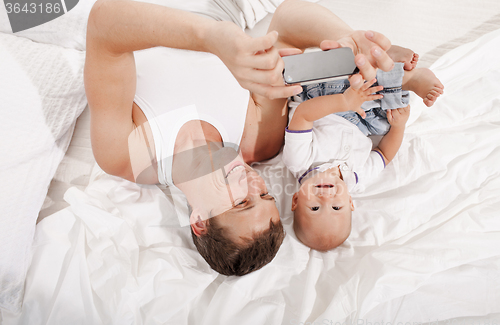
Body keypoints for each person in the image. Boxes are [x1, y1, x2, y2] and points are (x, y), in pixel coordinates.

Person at [84, 0, 397, 275]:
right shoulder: (259, 140)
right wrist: (347, 42)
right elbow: (287, 22)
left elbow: (104, 22)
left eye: (242, 202)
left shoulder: (128, 155)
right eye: (265, 196)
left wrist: (210, 38)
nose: (256, 184)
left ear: (200, 220)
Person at [282, 62, 444, 252]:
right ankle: (391, 68)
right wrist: (400, 126)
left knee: (353, 88)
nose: (326, 199)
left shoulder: (299, 162)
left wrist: (345, 102)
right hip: (363, 122)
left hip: (323, 101)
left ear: (295, 200)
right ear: (350, 202)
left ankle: (405, 77)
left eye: (315, 208)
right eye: (336, 207)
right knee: (386, 124)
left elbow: (303, 115)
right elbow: (384, 154)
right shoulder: (358, 178)